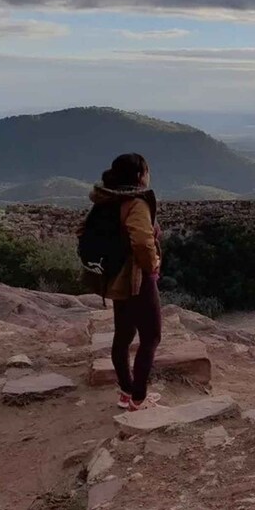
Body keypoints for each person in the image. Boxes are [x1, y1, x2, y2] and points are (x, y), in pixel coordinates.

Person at [85, 153, 164, 411]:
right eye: (147, 171)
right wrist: (152, 264)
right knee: (151, 336)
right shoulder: (135, 203)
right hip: (137, 279)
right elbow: (141, 241)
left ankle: (126, 392)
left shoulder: (107, 199)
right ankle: (139, 400)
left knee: (123, 335)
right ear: (140, 176)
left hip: (114, 276)